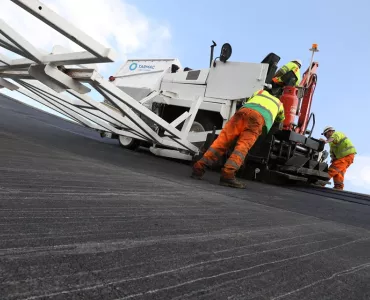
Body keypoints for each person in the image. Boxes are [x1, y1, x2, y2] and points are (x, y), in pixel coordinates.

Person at [191, 89, 285, 188]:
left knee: (221, 142)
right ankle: (228, 175)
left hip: (242, 112)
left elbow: (249, 101)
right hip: (257, 119)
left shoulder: (260, 92)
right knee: (242, 148)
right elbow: (279, 122)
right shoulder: (279, 104)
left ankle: (198, 169)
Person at [320, 126, 357, 190]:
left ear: (330, 131)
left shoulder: (337, 134)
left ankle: (320, 183)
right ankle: (338, 187)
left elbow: (334, 138)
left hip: (347, 156)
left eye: (325, 134)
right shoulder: (331, 143)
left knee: (333, 169)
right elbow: (332, 151)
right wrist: (333, 158)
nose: (325, 136)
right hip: (345, 157)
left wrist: (326, 141)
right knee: (339, 172)